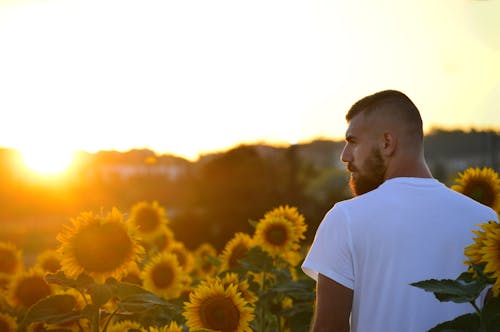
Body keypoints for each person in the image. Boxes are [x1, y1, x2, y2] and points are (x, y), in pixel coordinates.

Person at [301, 90, 499, 332]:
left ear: (387, 143)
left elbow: (328, 329)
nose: (345, 156)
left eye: (352, 142)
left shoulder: (346, 219)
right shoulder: (485, 221)